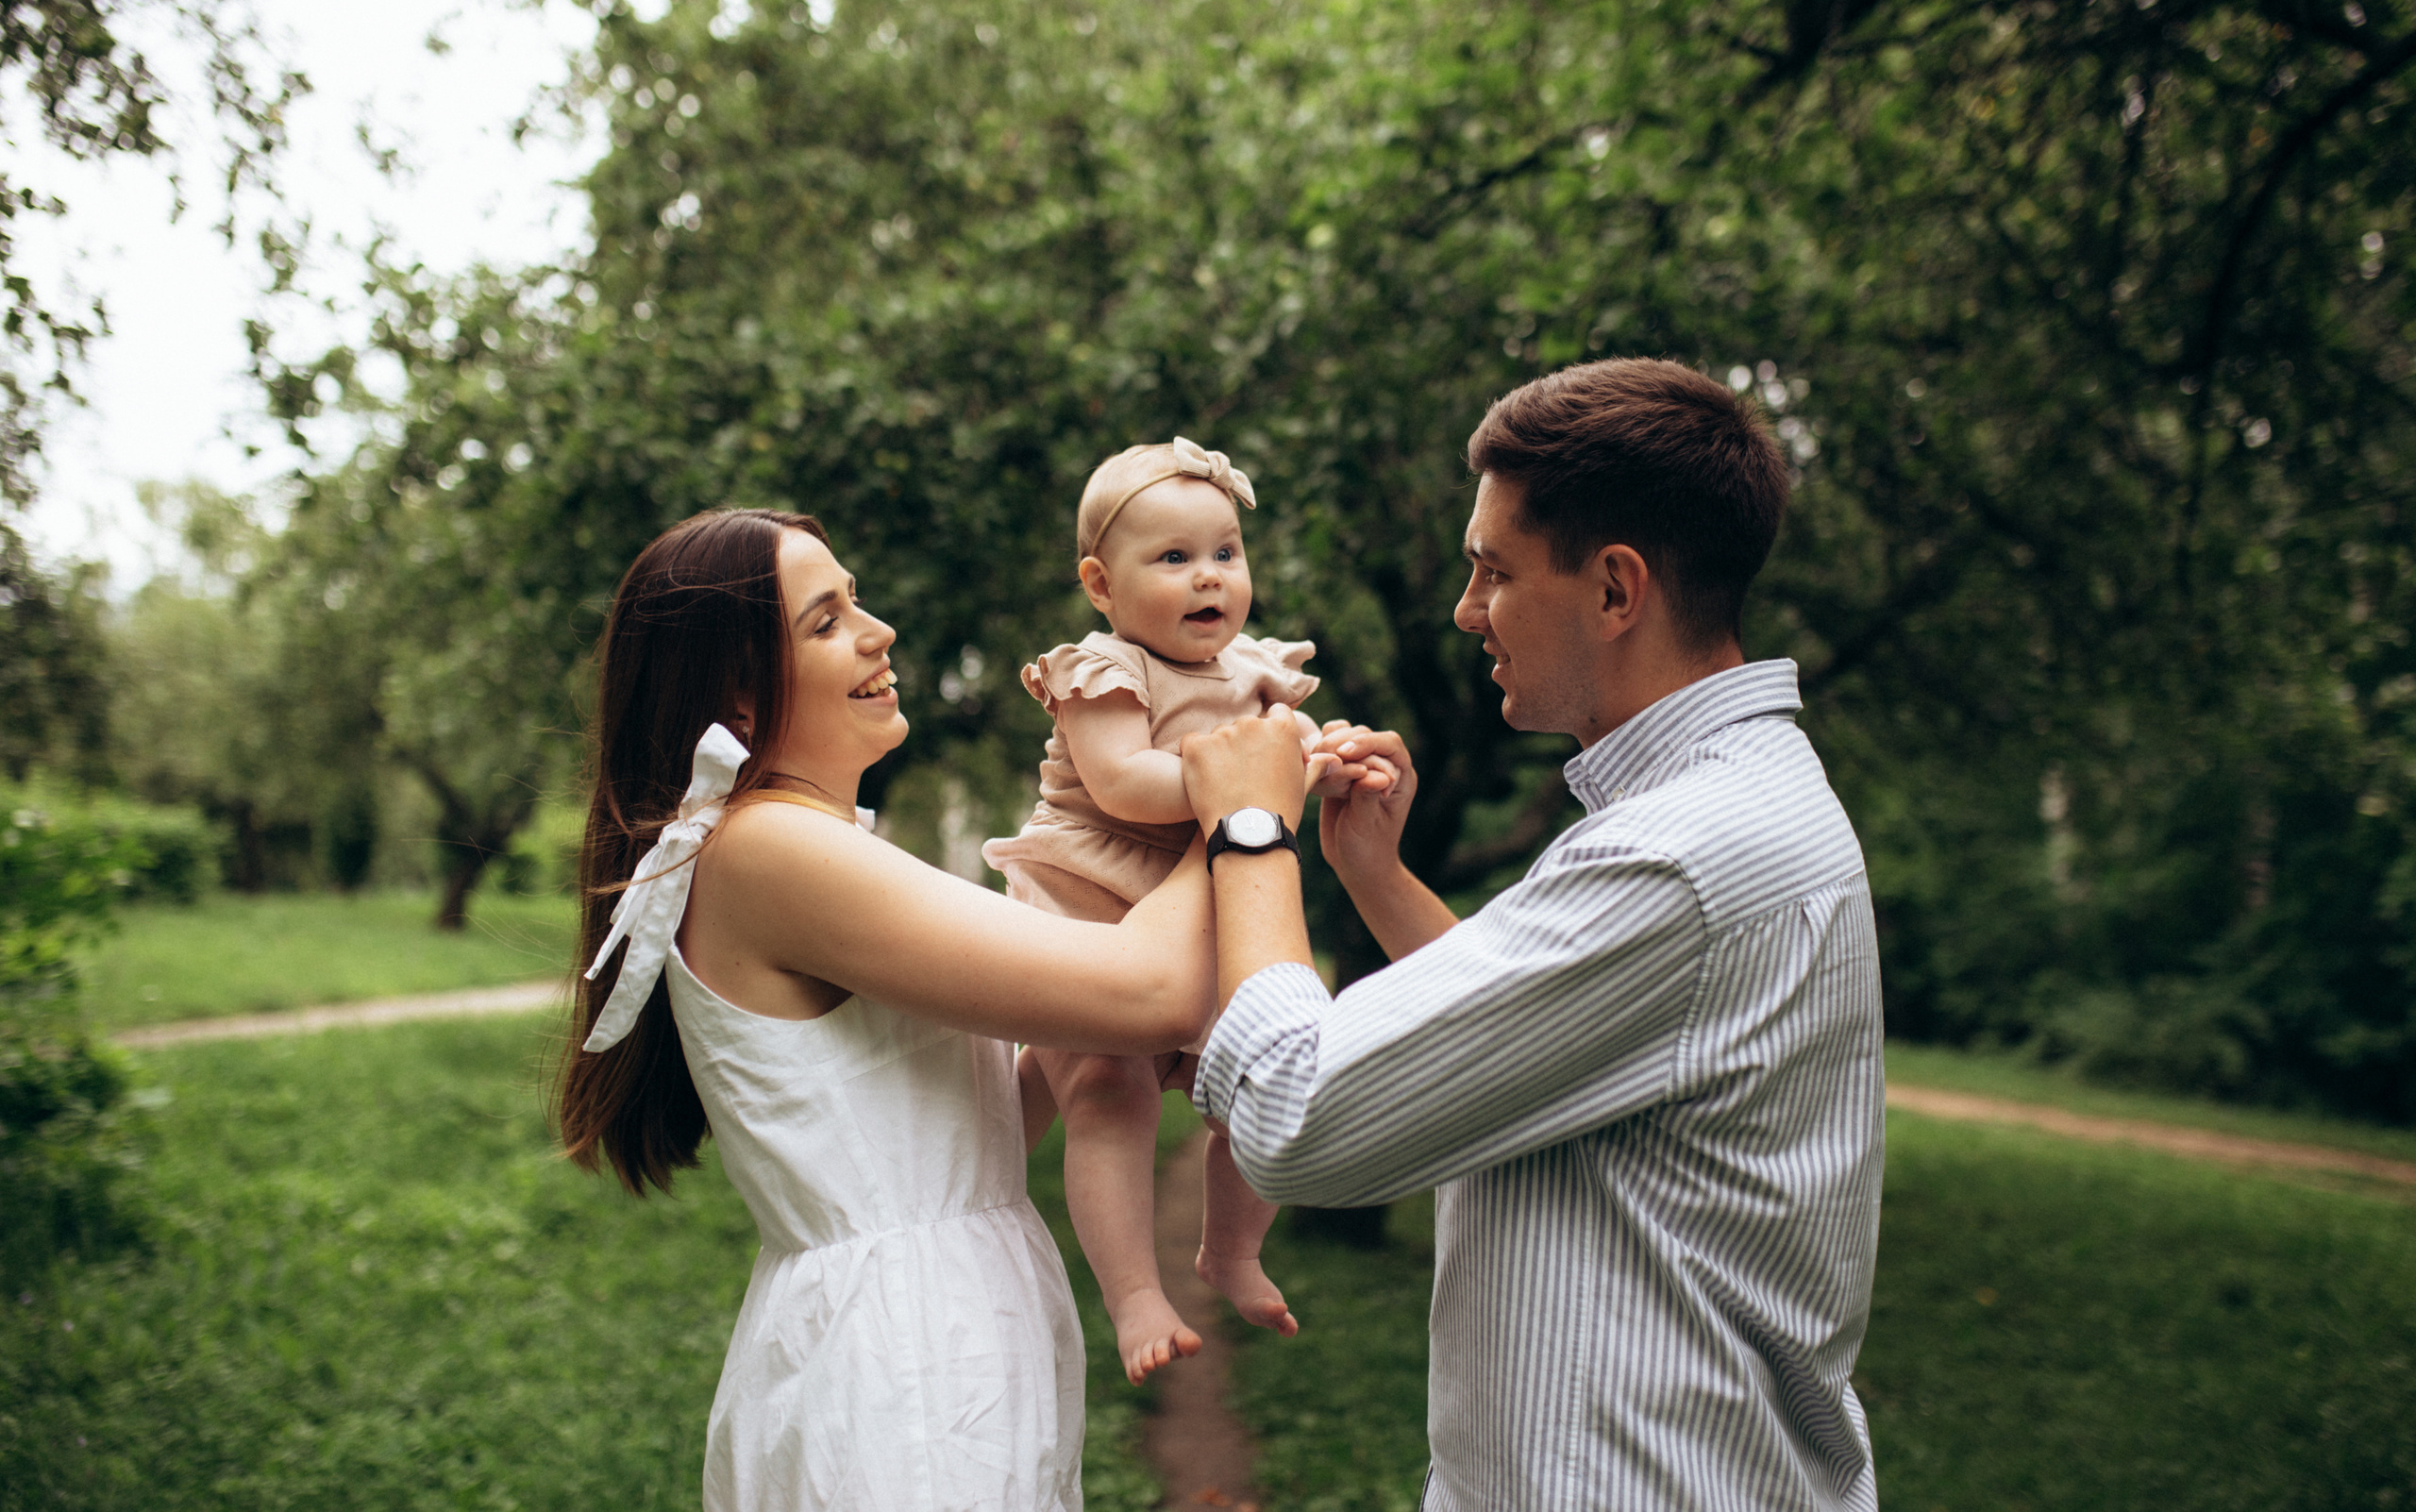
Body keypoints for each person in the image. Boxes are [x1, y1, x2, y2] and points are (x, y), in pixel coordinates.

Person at [1180, 358, 1887, 1510]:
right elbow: (1545, 1041)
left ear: (1615, 591)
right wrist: (1372, 872)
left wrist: (1250, 829)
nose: (1465, 611)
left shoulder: (1680, 853)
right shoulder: (1737, 802)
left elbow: (1298, 1120)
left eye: (1492, 571)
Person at [551, 508, 1234, 1512]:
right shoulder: (768, 849)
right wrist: (1243, 807)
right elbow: (1152, 989)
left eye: (856, 601)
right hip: (905, 1367)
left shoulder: (792, 845)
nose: (879, 632)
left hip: (938, 1335)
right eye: (826, 622)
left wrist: (1071, 1044)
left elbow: (957, 1124)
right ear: (738, 694)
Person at [983, 437, 1334, 1383]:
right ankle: (1134, 1292)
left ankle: (1229, 1251)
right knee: (1109, 1090)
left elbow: (1284, 750)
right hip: (1091, 903)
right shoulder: (1103, 671)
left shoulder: (1254, 666)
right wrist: (1243, 777)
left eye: (1225, 553)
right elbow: (1129, 786)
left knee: (1267, 1079)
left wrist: (1323, 759)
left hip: (1198, 906)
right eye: (1172, 559)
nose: (1207, 579)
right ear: (1101, 584)